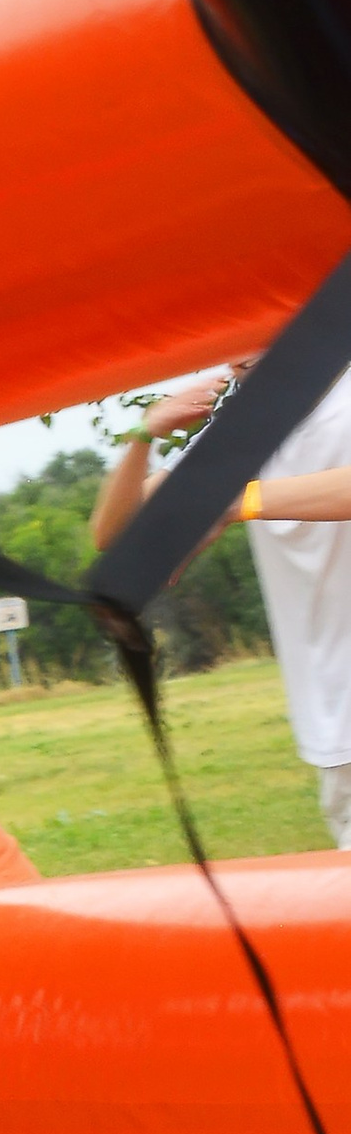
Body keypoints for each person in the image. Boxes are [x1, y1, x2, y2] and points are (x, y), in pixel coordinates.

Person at [93, 361, 351, 844]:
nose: (238, 354)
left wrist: (234, 502)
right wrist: (141, 433)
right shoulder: (248, 428)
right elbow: (113, 534)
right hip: (332, 728)